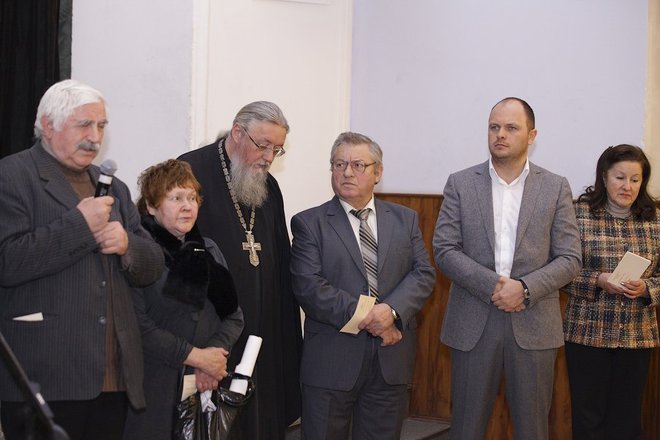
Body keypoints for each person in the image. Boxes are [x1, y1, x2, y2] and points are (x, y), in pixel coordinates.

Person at [0, 79, 164, 440]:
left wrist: (127, 246)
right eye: (84, 125)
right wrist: (79, 226)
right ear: (48, 125)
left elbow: (154, 264)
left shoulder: (114, 187)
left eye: (101, 126)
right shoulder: (12, 176)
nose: (95, 137)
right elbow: (7, 262)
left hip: (113, 377)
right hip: (45, 377)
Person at [433, 97, 582, 440]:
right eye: (494, 127)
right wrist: (494, 286)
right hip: (472, 321)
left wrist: (524, 289)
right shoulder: (460, 183)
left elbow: (570, 258)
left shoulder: (555, 186)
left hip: (534, 324)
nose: (500, 134)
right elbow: (444, 249)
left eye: (511, 128)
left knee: (532, 430)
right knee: (466, 429)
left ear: (532, 135)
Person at [290, 132, 435, 439]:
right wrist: (375, 317)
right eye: (339, 164)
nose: (347, 172)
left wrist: (391, 311)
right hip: (331, 363)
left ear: (377, 172)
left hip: (390, 363)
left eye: (358, 165)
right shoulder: (309, 223)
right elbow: (309, 288)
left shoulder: (405, 219)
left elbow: (423, 274)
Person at [178, 101, 302, 439]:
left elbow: (280, 260)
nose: (268, 157)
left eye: (277, 149)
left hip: (262, 330)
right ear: (237, 132)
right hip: (212, 330)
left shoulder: (268, 186)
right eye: (263, 145)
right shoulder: (190, 171)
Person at [123, 159, 244, 439]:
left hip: (202, 385)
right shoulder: (138, 253)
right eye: (176, 198)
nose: (188, 206)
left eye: (192, 198)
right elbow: (137, 326)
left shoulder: (208, 251)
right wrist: (196, 357)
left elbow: (234, 315)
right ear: (151, 206)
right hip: (152, 387)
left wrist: (211, 357)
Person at [562, 144, 660, 439]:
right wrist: (598, 280)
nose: (627, 186)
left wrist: (647, 288)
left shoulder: (654, 219)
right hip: (586, 333)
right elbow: (559, 271)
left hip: (636, 337)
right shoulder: (577, 214)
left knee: (626, 422)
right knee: (588, 419)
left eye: (635, 179)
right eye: (620, 177)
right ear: (604, 177)